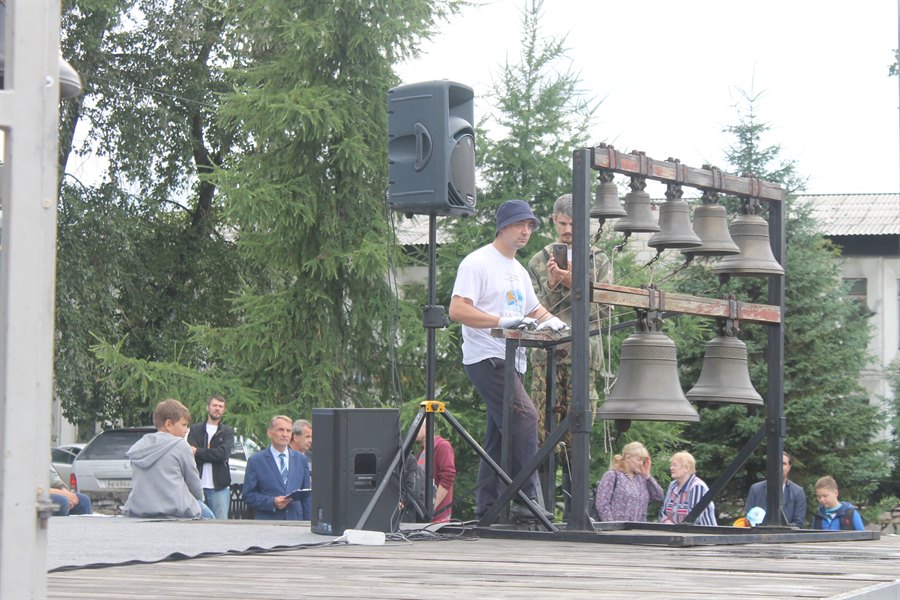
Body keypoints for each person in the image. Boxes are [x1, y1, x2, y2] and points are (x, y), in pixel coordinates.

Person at [448, 199, 566, 522]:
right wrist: (500, 321)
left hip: (513, 359)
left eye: (529, 226)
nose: (526, 231)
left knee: (499, 434)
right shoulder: (477, 263)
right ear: (502, 227)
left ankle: (488, 506)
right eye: (519, 224)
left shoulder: (518, 270)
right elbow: (457, 309)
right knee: (525, 417)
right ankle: (526, 499)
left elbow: (533, 309)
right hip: (487, 357)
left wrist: (552, 321)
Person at [528, 193, 612, 517]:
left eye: (574, 224)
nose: (567, 230)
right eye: (562, 223)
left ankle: (578, 512)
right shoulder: (539, 260)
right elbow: (533, 310)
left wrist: (575, 283)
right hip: (547, 358)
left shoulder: (598, 259)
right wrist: (553, 284)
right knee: (543, 434)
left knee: (579, 434)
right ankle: (543, 510)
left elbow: (605, 309)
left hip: (583, 357)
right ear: (554, 221)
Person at [123, 399, 215, 519]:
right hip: (175, 509)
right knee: (210, 517)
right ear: (168, 424)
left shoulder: (138, 447)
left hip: (140, 509)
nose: (186, 430)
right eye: (184, 425)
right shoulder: (181, 446)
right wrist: (199, 498)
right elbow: (194, 483)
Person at [243, 415, 311, 520]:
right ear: (270, 433)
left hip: (295, 521)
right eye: (280, 430)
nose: (285, 434)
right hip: (269, 521)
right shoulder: (256, 461)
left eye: (288, 431)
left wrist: (308, 523)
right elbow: (248, 495)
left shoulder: (301, 459)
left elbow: (306, 496)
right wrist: (272, 502)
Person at [187, 394, 234, 519]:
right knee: (195, 523)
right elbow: (189, 453)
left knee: (220, 525)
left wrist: (198, 451)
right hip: (196, 486)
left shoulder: (227, 432)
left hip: (220, 488)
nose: (217, 408)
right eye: (214, 405)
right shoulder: (195, 429)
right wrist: (212, 454)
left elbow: (222, 454)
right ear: (207, 407)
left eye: (220, 406)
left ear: (224, 410)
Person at [594, 441, 662, 522]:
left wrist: (647, 476)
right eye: (639, 460)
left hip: (639, 528)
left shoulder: (642, 479)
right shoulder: (612, 475)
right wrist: (612, 525)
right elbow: (602, 504)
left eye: (643, 461)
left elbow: (659, 497)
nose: (641, 463)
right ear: (628, 458)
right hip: (617, 528)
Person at [744, 451, 807, 527]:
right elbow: (748, 517)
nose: (779, 466)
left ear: (789, 467)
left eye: (783, 463)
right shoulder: (756, 489)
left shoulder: (798, 492)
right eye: (776, 463)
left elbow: (799, 522)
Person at [659, 451, 717, 526]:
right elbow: (662, 512)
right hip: (676, 532)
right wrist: (668, 523)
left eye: (675, 465)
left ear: (686, 468)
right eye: (671, 465)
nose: (671, 468)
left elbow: (694, 517)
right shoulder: (672, 485)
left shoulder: (697, 486)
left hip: (702, 532)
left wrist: (677, 528)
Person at [414, 424, 456, 523]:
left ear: (427, 428)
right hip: (426, 518)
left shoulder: (442, 446)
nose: (414, 431)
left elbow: (448, 477)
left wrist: (431, 507)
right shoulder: (420, 454)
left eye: (418, 427)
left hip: (438, 519)